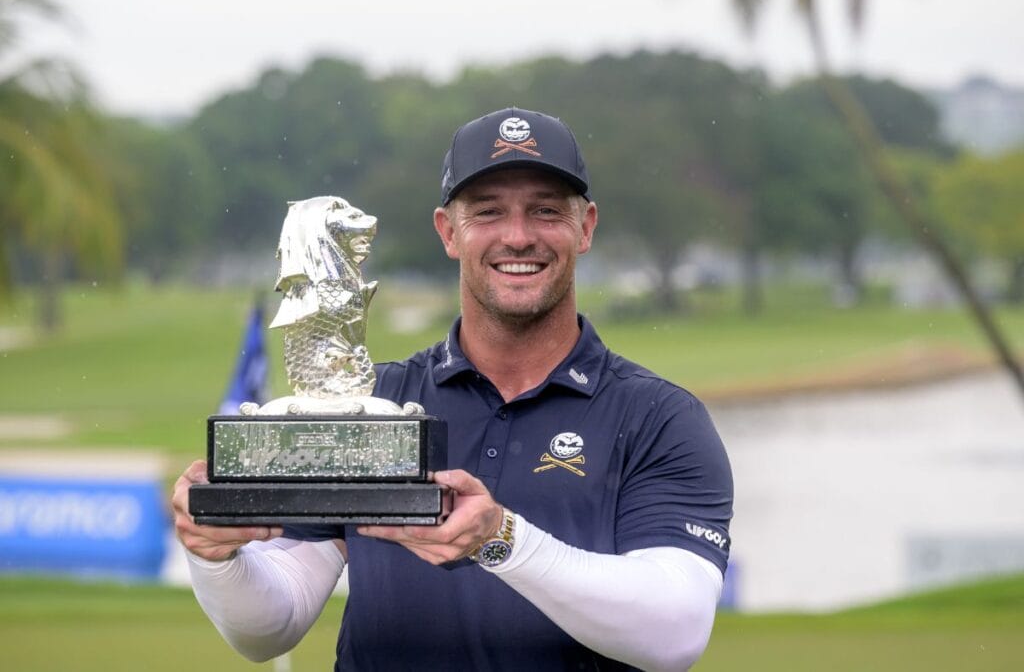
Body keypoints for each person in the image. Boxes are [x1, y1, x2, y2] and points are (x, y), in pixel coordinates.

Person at [172, 107, 733, 672]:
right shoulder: (377, 405)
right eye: (488, 212)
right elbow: (272, 623)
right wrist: (217, 558)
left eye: (545, 211)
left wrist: (500, 539)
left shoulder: (657, 417)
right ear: (448, 231)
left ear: (585, 227)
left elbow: (674, 632)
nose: (518, 237)